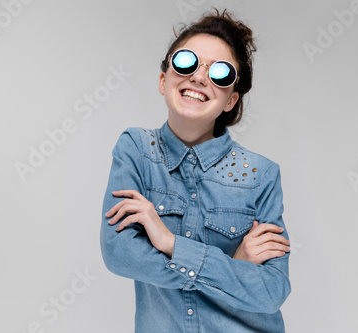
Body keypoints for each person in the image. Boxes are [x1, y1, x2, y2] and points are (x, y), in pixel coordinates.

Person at [100, 8, 291, 333]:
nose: (199, 77)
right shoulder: (136, 149)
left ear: (231, 100)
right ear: (164, 80)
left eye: (220, 73)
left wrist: (171, 243)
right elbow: (121, 254)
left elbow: (271, 292)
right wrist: (232, 267)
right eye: (186, 61)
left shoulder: (260, 174)